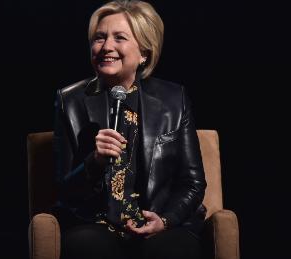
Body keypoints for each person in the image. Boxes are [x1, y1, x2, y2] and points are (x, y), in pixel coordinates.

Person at [51, 1, 207, 258]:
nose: (106, 47)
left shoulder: (173, 99)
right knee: (85, 246)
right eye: (99, 38)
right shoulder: (70, 101)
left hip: (159, 222)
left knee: (175, 250)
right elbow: (63, 190)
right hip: (95, 223)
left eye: (119, 38)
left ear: (144, 51)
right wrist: (95, 161)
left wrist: (166, 220)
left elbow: (192, 182)